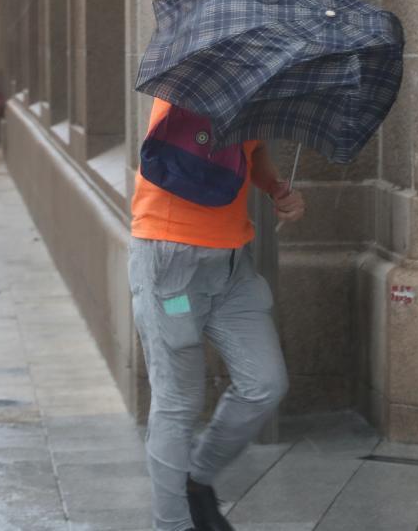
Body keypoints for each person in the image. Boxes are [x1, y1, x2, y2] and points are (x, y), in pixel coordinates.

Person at [129, 98, 306, 531]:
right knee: (177, 404)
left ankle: (195, 480)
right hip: (173, 261)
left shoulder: (256, 78)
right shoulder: (194, 66)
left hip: (230, 264)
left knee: (265, 383)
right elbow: (173, 151)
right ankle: (173, 525)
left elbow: (253, 151)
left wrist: (276, 187)